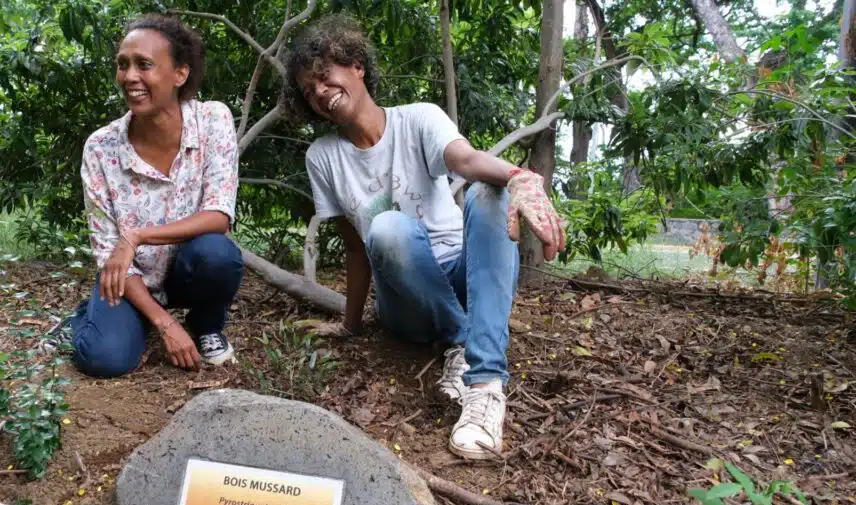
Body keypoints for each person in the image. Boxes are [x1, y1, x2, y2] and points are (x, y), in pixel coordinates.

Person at [280, 14, 566, 460]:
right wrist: (350, 325)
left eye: (323, 75)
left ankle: (485, 386)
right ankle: (464, 339)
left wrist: (518, 176)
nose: (318, 91)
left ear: (357, 66)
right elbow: (356, 248)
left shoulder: (418, 119)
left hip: (463, 275)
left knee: (489, 191)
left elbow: (466, 161)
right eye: (307, 89)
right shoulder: (323, 156)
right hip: (405, 299)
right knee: (386, 227)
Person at [69, 13, 243, 379]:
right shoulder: (101, 148)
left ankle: (206, 326)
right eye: (123, 65)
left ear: (180, 74)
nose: (130, 76)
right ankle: (90, 318)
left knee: (218, 254)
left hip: (189, 270)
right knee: (104, 359)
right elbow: (110, 253)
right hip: (131, 278)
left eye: (144, 65)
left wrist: (137, 236)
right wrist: (165, 324)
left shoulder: (212, 121)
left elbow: (218, 215)